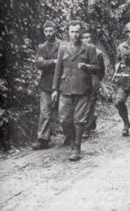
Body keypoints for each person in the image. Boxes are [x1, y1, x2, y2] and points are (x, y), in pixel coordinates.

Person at [52, 20, 100, 161]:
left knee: (79, 120)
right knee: (64, 119)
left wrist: (86, 66)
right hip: (66, 88)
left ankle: (77, 148)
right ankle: (72, 140)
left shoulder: (89, 48)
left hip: (83, 89)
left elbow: (97, 68)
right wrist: (55, 89)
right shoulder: (62, 48)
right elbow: (58, 69)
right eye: (72, 31)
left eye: (77, 31)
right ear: (68, 32)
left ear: (81, 32)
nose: (75, 34)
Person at [32, 21, 60, 150]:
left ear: (55, 31)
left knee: (65, 111)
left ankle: (70, 135)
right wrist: (54, 61)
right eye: (46, 31)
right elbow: (38, 64)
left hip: (61, 82)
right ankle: (43, 139)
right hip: (46, 83)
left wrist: (46, 61)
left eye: (51, 31)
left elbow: (64, 62)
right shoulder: (42, 47)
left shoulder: (63, 45)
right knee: (44, 112)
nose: (48, 34)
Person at [81, 32, 105, 138]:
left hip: (93, 78)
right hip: (81, 79)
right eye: (84, 38)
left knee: (90, 103)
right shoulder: (80, 51)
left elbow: (101, 69)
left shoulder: (98, 53)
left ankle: (86, 128)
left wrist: (97, 80)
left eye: (88, 37)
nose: (86, 39)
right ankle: (91, 120)